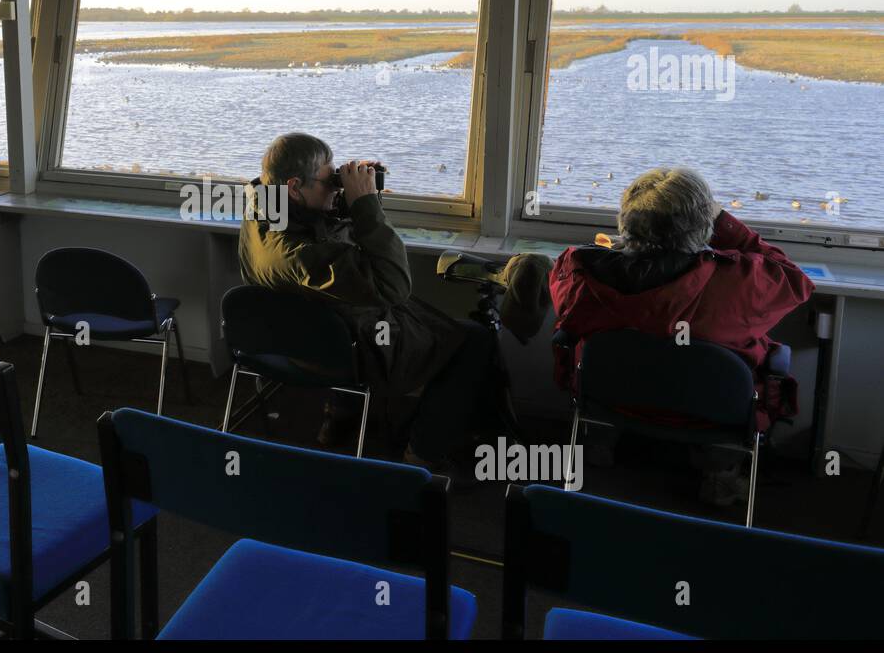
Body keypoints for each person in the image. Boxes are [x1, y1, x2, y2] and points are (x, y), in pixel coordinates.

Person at [239, 132, 509, 480]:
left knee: (333, 326)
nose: (335, 186)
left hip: (298, 338)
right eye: (329, 179)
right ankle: (423, 452)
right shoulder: (299, 257)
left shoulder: (263, 210)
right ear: (293, 186)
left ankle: (339, 418)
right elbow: (395, 286)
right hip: (344, 345)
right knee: (474, 341)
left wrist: (342, 196)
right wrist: (366, 205)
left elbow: (314, 230)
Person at [548, 166, 815, 505]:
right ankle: (719, 475)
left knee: (593, 351)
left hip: (613, 400)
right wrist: (726, 225)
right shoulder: (739, 283)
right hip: (711, 414)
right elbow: (796, 280)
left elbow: (575, 315)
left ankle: (600, 444)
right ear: (705, 224)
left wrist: (630, 246)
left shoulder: (580, 273)